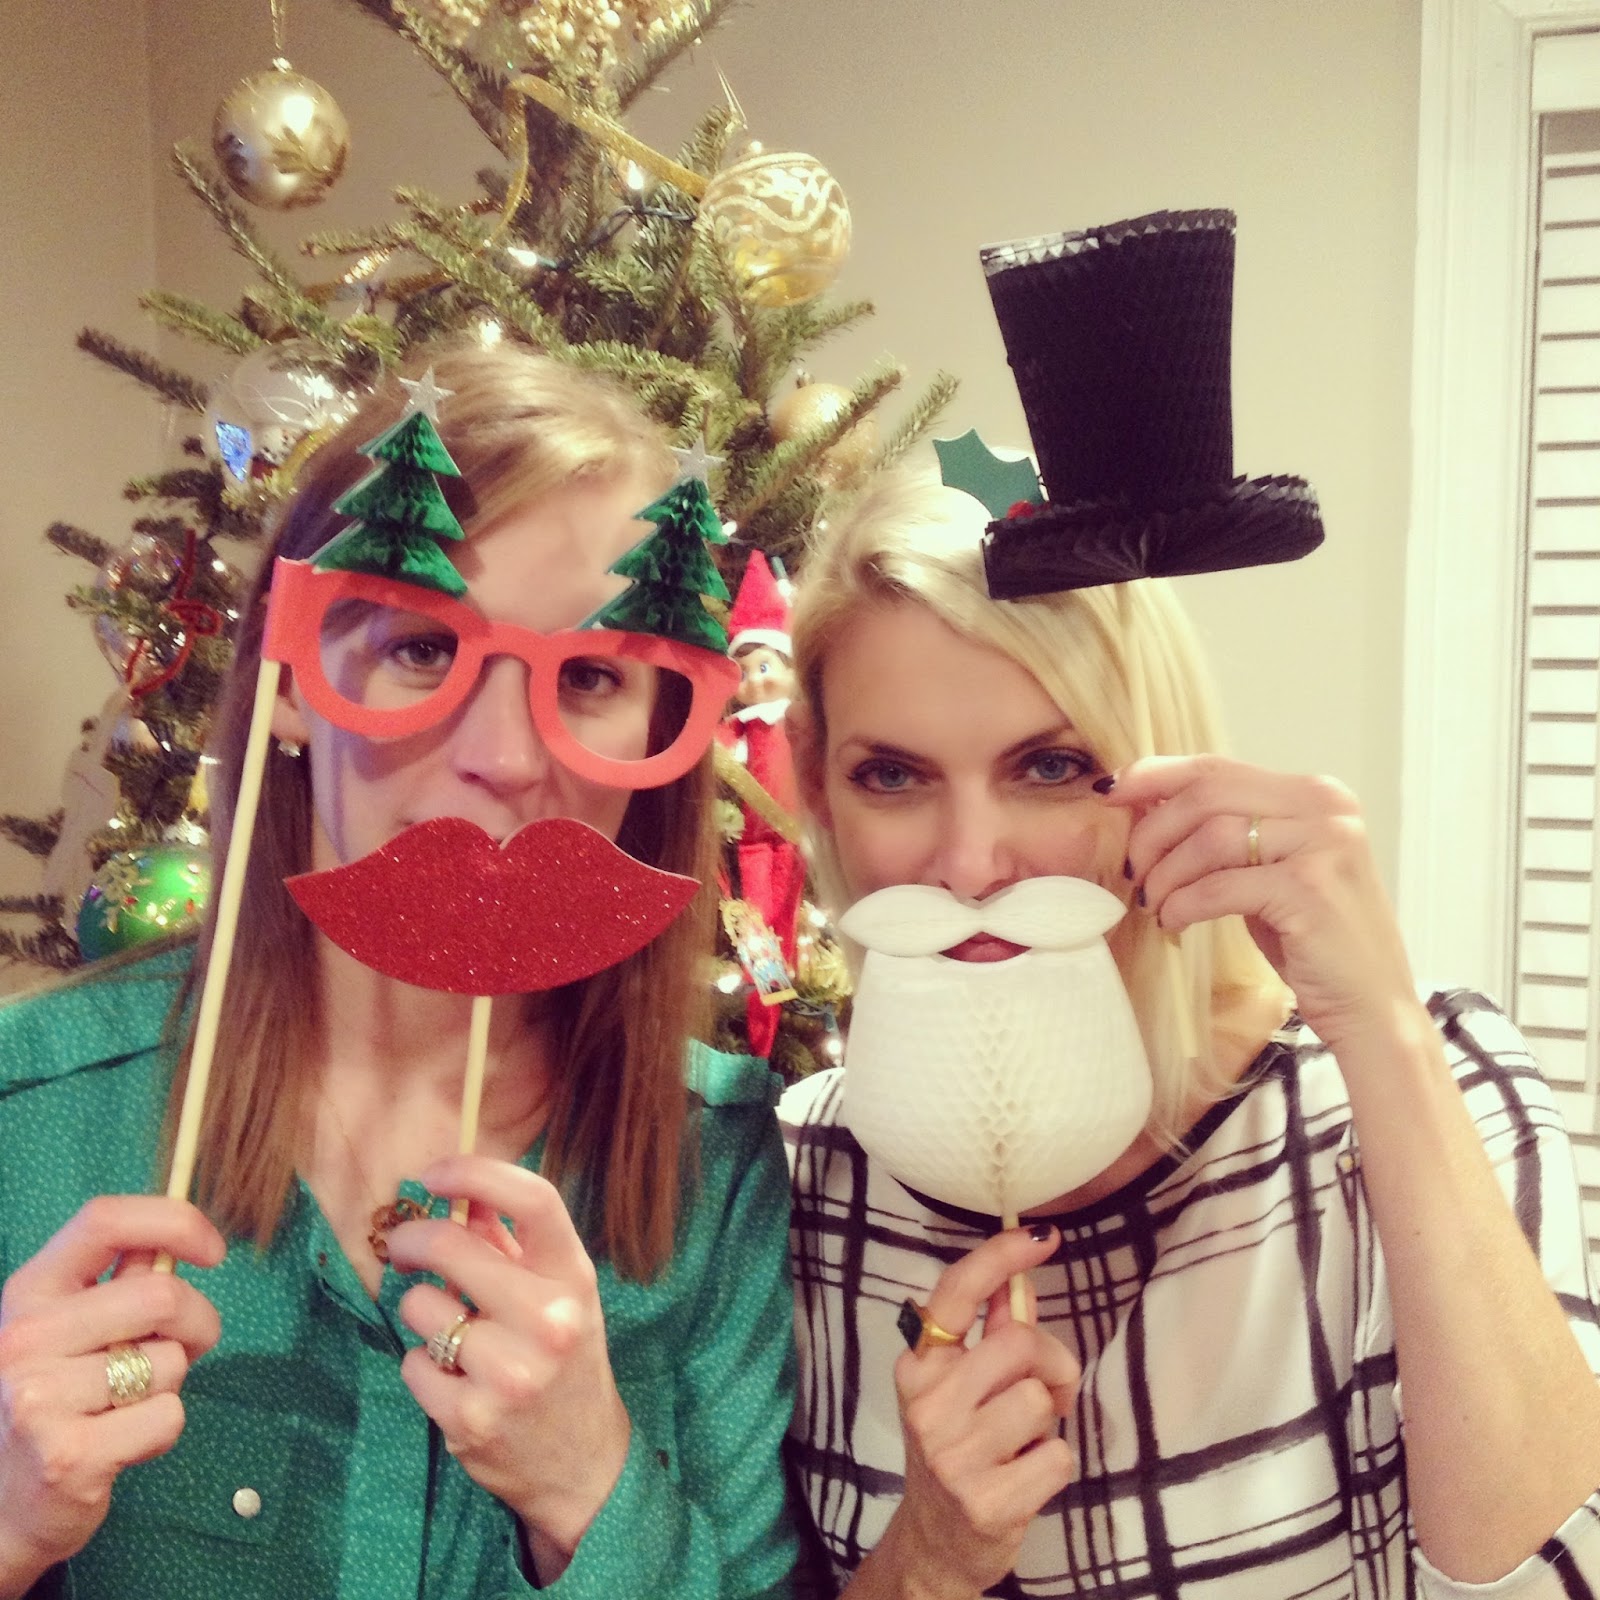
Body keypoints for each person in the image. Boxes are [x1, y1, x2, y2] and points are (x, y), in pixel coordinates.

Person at [0, 343, 800, 1598]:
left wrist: (589, 1488)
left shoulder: (721, 1165)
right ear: (291, 684)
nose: (506, 756)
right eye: (423, 648)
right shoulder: (29, 1110)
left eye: (591, 676)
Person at [778, 466, 1600, 1598]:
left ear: (1157, 769)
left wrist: (1381, 1031)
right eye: (892, 775)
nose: (970, 865)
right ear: (818, 789)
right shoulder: (800, 1181)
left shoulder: (1416, 1091)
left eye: (1052, 766)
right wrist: (924, 1561)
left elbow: (1559, 1577)